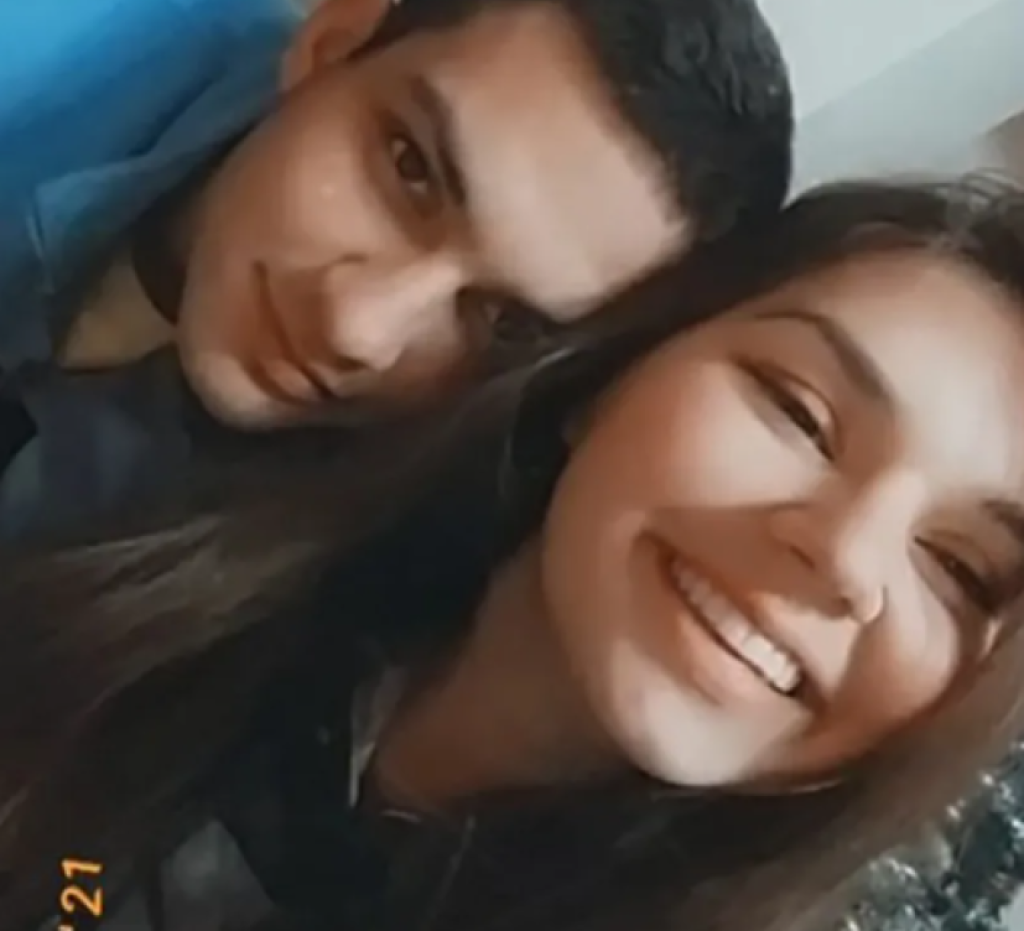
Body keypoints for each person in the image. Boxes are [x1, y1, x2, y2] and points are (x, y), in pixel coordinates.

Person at [3, 176, 1024, 931]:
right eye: (799, 411)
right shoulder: (149, 563)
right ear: (610, 377)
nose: (847, 557)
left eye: (960, 570)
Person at [0, 0, 793, 542]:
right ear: (334, 40)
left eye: (506, 324)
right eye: (410, 168)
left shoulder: (330, 583)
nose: (358, 329)